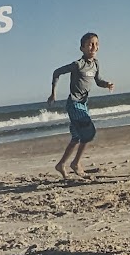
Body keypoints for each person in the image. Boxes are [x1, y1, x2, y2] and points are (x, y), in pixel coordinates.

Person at [47, 32, 113, 178]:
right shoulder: (77, 65)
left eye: (96, 44)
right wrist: (53, 93)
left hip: (83, 104)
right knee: (89, 132)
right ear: (82, 48)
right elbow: (57, 72)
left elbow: (98, 80)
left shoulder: (96, 64)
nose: (94, 47)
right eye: (90, 44)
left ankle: (61, 164)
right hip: (74, 104)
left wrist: (107, 84)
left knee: (77, 137)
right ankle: (76, 163)